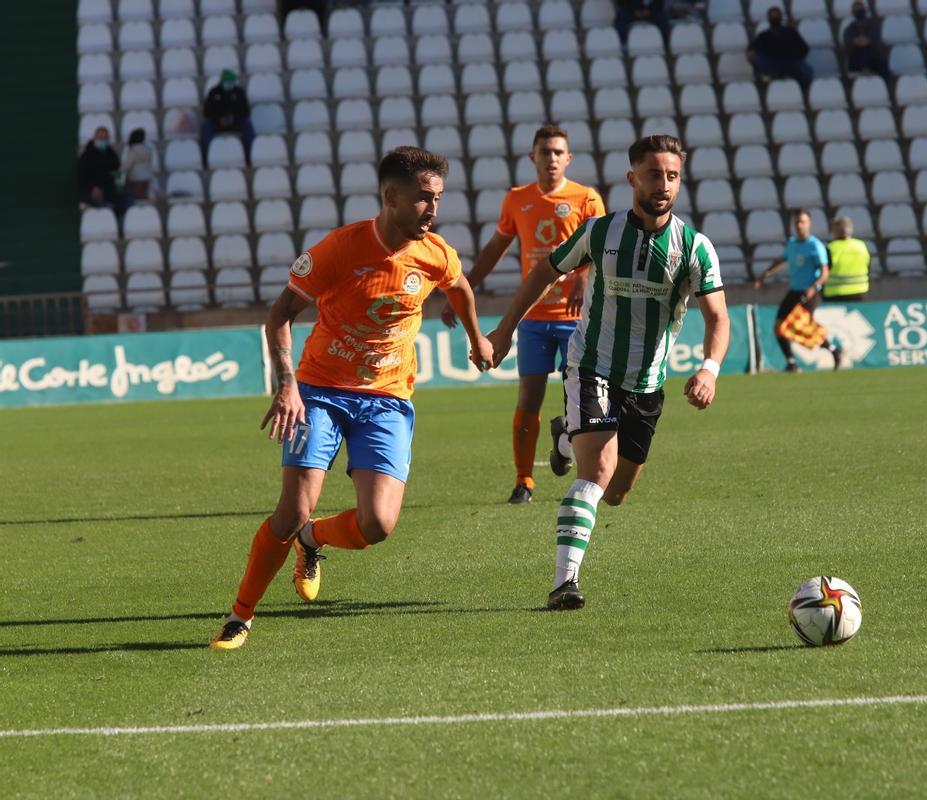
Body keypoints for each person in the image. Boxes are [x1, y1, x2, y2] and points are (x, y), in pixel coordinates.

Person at [210, 147, 494, 650]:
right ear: (391, 197)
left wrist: (478, 338)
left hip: (387, 399)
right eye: (424, 199)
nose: (434, 209)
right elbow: (279, 316)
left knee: (378, 525)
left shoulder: (435, 253)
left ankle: (312, 540)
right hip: (319, 391)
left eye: (438, 198)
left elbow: (461, 288)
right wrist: (287, 384)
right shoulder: (338, 250)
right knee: (292, 509)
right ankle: (241, 615)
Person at [487, 134, 729, 611]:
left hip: (647, 385)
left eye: (673, 176)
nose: (664, 184)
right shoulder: (600, 232)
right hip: (590, 367)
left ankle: (563, 438)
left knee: (615, 493)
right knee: (596, 471)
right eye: (654, 174)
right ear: (632, 178)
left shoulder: (696, 248)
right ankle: (564, 583)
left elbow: (718, 318)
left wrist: (709, 369)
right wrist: (503, 331)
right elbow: (543, 271)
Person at [441, 125, 606, 505]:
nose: (550, 158)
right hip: (533, 317)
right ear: (532, 157)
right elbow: (495, 249)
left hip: (577, 317)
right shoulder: (517, 199)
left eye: (557, 152)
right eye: (544, 152)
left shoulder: (587, 198)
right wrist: (459, 290)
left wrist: (582, 276)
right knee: (528, 399)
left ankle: (570, 447)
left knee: (581, 397)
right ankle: (524, 480)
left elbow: (600, 247)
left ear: (568, 159)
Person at [753, 209, 841, 371]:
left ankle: (834, 350)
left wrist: (813, 288)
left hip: (809, 293)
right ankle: (791, 363)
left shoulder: (815, 246)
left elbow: (824, 272)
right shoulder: (792, 243)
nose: (799, 225)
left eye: (802, 222)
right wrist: (765, 274)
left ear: (809, 224)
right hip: (794, 291)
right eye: (796, 222)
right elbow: (781, 260)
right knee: (778, 327)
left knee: (801, 328)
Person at [746, 7, 813, 93]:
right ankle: (771, 78)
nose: (774, 18)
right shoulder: (764, 35)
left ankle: (802, 90)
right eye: (772, 16)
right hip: (772, 64)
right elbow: (753, 48)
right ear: (768, 18)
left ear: (781, 17)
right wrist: (751, 52)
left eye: (776, 16)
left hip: (791, 63)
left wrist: (795, 57)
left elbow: (804, 48)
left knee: (808, 72)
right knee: (755, 57)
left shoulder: (791, 32)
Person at [201, 69, 254, 168]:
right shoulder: (213, 92)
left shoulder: (239, 92)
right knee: (206, 126)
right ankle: (205, 160)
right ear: (222, 81)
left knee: (247, 125)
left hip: (235, 122)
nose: (229, 84)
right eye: (227, 82)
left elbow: (246, 111)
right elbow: (207, 112)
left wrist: (234, 118)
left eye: (231, 81)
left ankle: (249, 158)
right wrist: (219, 119)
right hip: (217, 123)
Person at [824, 217, 870, 302]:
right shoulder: (862, 246)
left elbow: (824, 271)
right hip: (860, 292)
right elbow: (868, 267)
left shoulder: (831, 248)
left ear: (834, 231)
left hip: (835, 294)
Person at [843, 1, 891, 82]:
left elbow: (872, 40)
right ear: (853, 13)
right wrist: (860, 41)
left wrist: (862, 41)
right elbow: (850, 41)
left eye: (861, 10)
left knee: (882, 62)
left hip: (874, 59)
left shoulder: (874, 26)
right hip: (856, 60)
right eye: (857, 10)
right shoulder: (849, 29)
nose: (859, 12)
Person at [77, 126, 121, 209]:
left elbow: (118, 172)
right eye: (100, 138)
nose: (103, 141)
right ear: (94, 138)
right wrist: (92, 188)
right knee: (102, 205)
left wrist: (120, 187)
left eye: (105, 138)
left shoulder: (112, 154)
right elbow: (82, 177)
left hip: (109, 190)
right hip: (90, 191)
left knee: (127, 197)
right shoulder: (87, 156)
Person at [120, 128, 154, 202]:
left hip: (135, 178)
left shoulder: (133, 150)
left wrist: (120, 172)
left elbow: (127, 165)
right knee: (144, 198)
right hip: (147, 177)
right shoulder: (148, 149)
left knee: (136, 198)